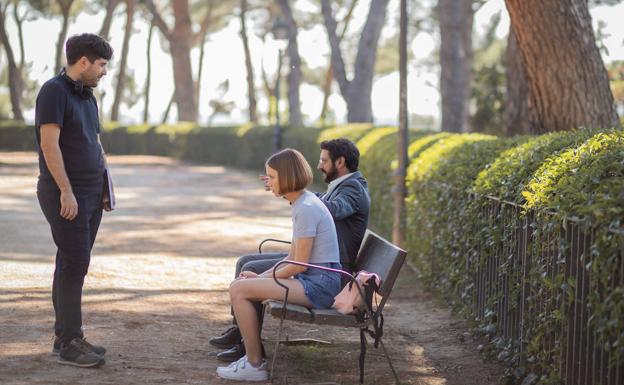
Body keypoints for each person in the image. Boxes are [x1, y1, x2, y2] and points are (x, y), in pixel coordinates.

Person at [210, 138, 370, 362]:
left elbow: (334, 209)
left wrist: (289, 186)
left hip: (328, 268)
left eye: (324, 160)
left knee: (249, 271)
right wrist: (286, 186)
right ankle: (242, 333)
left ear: (340, 161)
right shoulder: (317, 197)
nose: (319, 165)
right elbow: (299, 248)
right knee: (246, 264)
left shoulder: (352, 188)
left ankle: (249, 347)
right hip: (318, 262)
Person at [35, 33, 113, 368]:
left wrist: (105, 188)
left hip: (92, 192)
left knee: (71, 263)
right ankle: (69, 342)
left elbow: (94, 143)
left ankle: (67, 337)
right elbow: (49, 146)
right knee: (75, 263)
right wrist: (66, 190)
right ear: (83, 61)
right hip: (67, 193)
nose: (104, 71)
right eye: (101, 64)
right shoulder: (53, 91)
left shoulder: (88, 96)